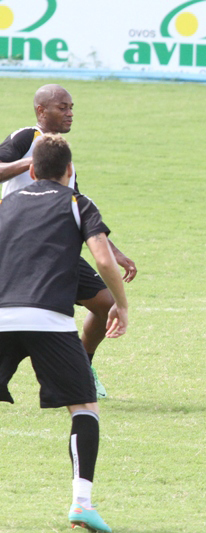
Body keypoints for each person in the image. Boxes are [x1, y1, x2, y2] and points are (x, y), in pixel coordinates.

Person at [0, 134, 129, 532]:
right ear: (69, 172)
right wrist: (121, 304)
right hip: (50, 323)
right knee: (84, 410)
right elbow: (103, 258)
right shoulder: (76, 202)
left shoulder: (6, 204)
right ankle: (81, 504)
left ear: (32, 170)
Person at [0, 84, 137, 398]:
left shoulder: (61, 155)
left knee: (105, 305)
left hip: (57, 248)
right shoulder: (27, 137)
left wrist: (112, 250)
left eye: (72, 107)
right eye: (62, 107)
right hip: (19, 247)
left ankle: (83, 367)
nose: (70, 112)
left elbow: (76, 202)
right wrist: (31, 162)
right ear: (41, 110)